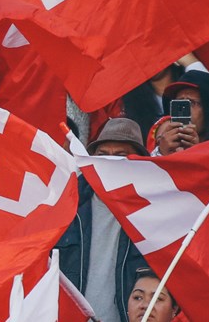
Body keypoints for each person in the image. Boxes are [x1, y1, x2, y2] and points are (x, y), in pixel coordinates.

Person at [57, 118, 150, 322]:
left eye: (120, 155)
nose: (109, 161)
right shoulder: (67, 203)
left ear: (140, 161)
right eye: (102, 155)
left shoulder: (153, 212)